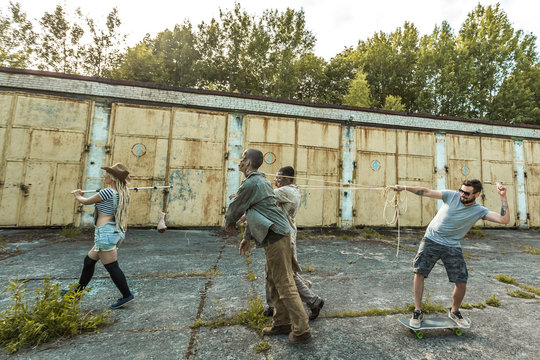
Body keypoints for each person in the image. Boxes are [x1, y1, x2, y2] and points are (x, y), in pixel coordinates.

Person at [225, 149, 312, 344]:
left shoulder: (252, 182)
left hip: (277, 236)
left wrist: (228, 224)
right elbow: (255, 210)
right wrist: (247, 236)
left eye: (242, 158)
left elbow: (235, 208)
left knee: (284, 283)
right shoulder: (259, 181)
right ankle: (282, 323)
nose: (239, 161)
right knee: (273, 280)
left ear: (248, 162)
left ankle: (302, 330)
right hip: (274, 234)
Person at [395, 179, 509, 328]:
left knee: (461, 281)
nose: (462, 194)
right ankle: (417, 311)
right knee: (419, 272)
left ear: (477, 194)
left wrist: (503, 197)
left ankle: (454, 312)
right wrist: (404, 187)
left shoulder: (479, 211)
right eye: (461, 191)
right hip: (431, 239)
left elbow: (504, 220)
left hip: (452, 245)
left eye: (467, 193)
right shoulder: (451, 196)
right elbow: (426, 191)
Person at [67, 163, 134, 309]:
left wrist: (78, 195)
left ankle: (127, 295)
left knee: (111, 266)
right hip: (110, 233)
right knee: (89, 261)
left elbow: (86, 202)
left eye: (107, 174)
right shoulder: (123, 193)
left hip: (105, 234)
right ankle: (76, 293)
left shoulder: (107, 192)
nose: (104, 175)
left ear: (113, 178)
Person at [264, 166, 324, 321]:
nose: (276, 180)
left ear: (289, 179)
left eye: (280, 178)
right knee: (271, 273)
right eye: (276, 177)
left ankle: (313, 301)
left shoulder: (287, 191)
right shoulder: (290, 190)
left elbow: (264, 195)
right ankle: (272, 305)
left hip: (283, 238)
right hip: (282, 236)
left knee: (287, 274)